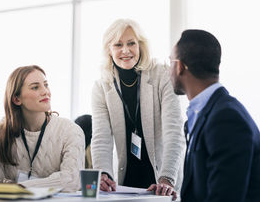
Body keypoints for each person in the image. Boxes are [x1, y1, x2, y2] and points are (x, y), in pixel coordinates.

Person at [91, 19, 185, 199]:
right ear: (109, 50)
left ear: (141, 46)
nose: (125, 50)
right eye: (118, 44)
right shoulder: (101, 87)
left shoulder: (162, 74)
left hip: (162, 180)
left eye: (131, 43)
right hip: (124, 182)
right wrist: (103, 174)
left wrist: (167, 178)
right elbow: (101, 137)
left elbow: (174, 131)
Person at [169, 29, 260, 202]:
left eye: (170, 62)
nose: (169, 70)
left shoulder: (226, 119)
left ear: (180, 66)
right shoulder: (208, 112)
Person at [0, 65, 85, 192]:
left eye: (46, 85)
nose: (45, 91)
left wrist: (18, 187)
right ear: (16, 99)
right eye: (35, 87)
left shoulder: (70, 131)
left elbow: (71, 181)